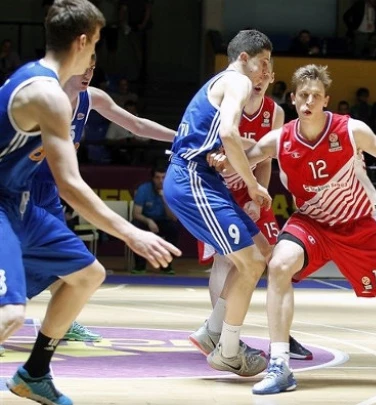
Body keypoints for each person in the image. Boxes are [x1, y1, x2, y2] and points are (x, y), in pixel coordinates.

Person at [209, 64, 376, 395]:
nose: (308, 101)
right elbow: (244, 158)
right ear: (293, 98)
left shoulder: (351, 131)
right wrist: (222, 160)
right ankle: (280, 365)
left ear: (326, 100)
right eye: (303, 95)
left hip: (360, 228)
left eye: (315, 96)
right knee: (278, 265)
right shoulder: (281, 139)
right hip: (312, 224)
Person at [0, 1, 180, 404]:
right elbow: (70, 185)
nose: (95, 54)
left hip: (19, 199)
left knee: (88, 274)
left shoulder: (50, 86)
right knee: (10, 314)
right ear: (82, 42)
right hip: (3, 202)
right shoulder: (46, 94)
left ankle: (34, 373)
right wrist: (131, 233)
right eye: (96, 43)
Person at [30, 55, 177, 341]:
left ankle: (63, 322)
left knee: (67, 262)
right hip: (17, 186)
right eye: (83, 68)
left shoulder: (91, 98)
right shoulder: (39, 94)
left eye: (93, 69)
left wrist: (183, 138)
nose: (88, 74)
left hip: (49, 191)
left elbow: (137, 126)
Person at [163, 29, 273, 377]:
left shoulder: (222, 83)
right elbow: (227, 132)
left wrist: (231, 151)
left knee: (261, 249)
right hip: (192, 178)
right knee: (250, 263)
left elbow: (222, 135)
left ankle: (213, 331)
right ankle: (228, 349)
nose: (266, 71)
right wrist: (252, 184)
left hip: (203, 178)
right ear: (244, 57)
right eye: (263, 62)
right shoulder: (237, 80)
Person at [193, 62, 312, 361]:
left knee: (276, 258)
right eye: (255, 74)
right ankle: (218, 332)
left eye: (266, 75)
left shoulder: (275, 112)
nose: (260, 80)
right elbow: (209, 146)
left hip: (252, 190)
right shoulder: (227, 100)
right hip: (217, 190)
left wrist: (258, 197)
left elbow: (266, 158)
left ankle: (279, 336)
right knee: (226, 260)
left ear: (271, 79)